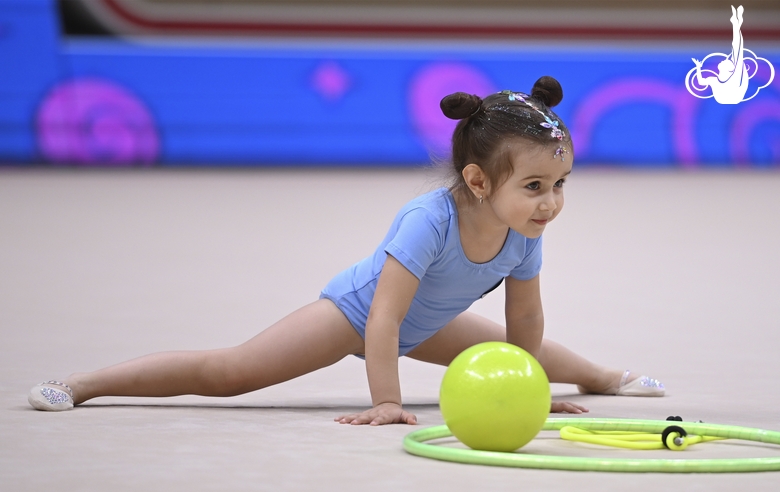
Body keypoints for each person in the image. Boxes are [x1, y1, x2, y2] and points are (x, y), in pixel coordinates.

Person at [28, 76, 664, 424]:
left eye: (559, 185)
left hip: (430, 320)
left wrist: (529, 387)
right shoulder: (427, 220)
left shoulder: (524, 232)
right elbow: (383, 319)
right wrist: (386, 401)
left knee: (514, 342)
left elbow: (524, 321)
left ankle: (606, 375)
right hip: (356, 315)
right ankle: (85, 383)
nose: (551, 202)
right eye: (534, 187)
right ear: (477, 181)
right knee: (231, 373)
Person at [692, 5, 748, 104]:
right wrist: (698, 67)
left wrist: (736, 25)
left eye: (727, 61)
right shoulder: (714, 80)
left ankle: (736, 23)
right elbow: (701, 82)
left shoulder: (734, 77)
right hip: (728, 98)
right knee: (737, 51)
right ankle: (736, 23)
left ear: (729, 69)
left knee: (737, 50)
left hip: (733, 97)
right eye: (727, 60)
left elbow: (738, 48)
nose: (724, 59)